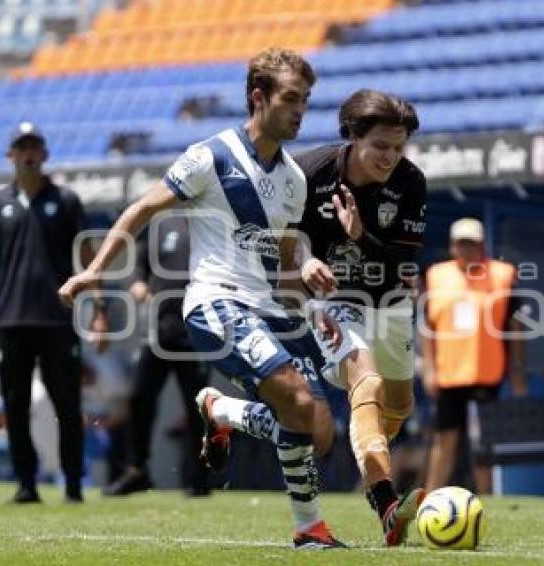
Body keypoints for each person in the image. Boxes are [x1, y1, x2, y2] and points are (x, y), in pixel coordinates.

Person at [58, 48, 346, 549]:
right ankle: (310, 530)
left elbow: (281, 254)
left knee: (318, 430)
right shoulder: (209, 157)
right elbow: (141, 209)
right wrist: (96, 270)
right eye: (291, 99)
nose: (301, 110)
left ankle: (223, 412)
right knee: (297, 401)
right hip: (214, 302)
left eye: (306, 100)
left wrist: (308, 274)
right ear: (259, 98)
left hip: (267, 306)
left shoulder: (294, 181)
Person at [199, 89, 428, 547]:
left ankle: (220, 409)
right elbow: (276, 243)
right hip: (333, 302)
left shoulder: (411, 183)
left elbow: (402, 267)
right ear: (352, 136)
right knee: (367, 383)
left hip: (391, 302)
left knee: (398, 406)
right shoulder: (305, 174)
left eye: (398, 147)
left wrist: (360, 237)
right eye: (381, 146)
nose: (390, 157)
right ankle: (385, 503)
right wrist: (301, 261)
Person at [0, 122, 108, 504]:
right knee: (15, 405)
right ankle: (26, 484)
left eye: (34, 146)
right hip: (10, 321)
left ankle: (73, 485)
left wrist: (99, 309)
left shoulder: (66, 201)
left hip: (57, 320)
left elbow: (86, 258)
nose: (28, 152)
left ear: (44, 154)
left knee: (68, 405)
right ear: (10, 155)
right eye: (21, 146)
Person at [102, 215, 213, 497]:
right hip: (159, 331)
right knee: (139, 398)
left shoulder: (216, 224)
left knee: (198, 408)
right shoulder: (161, 225)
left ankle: (199, 478)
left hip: (197, 332)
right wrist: (137, 283)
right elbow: (137, 262)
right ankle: (137, 470)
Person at [420, 218, 527, 495]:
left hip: (487, 373)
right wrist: (429, 369)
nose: (467, 249)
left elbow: (516, 326)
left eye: (472, 243)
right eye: (461, 243)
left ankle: (485, 500)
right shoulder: (436, 276)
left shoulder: (502, 275)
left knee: (483, 442)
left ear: (483, 245)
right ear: (452, 246)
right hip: (449, 375)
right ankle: (430, 499)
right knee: (445, 440)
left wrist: (517, 369)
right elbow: (427, 327)